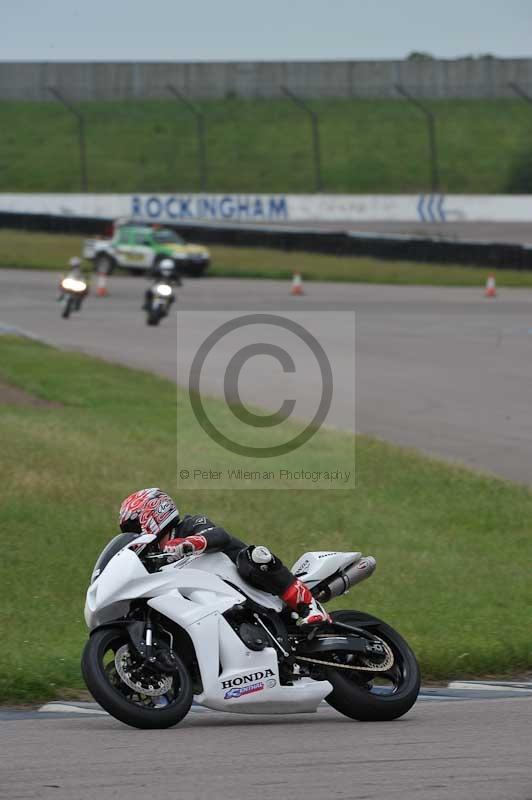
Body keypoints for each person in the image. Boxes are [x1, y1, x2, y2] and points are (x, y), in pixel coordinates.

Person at [119, 487, 330, 626]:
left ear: (155, 513)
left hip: (249, 583)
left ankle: (309, 606)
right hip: (216, 605)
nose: (136, 534)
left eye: (135, 527)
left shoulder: (191, 524)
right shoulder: (155, 557)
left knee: (255, 556)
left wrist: (187, 544)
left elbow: (218, 535)